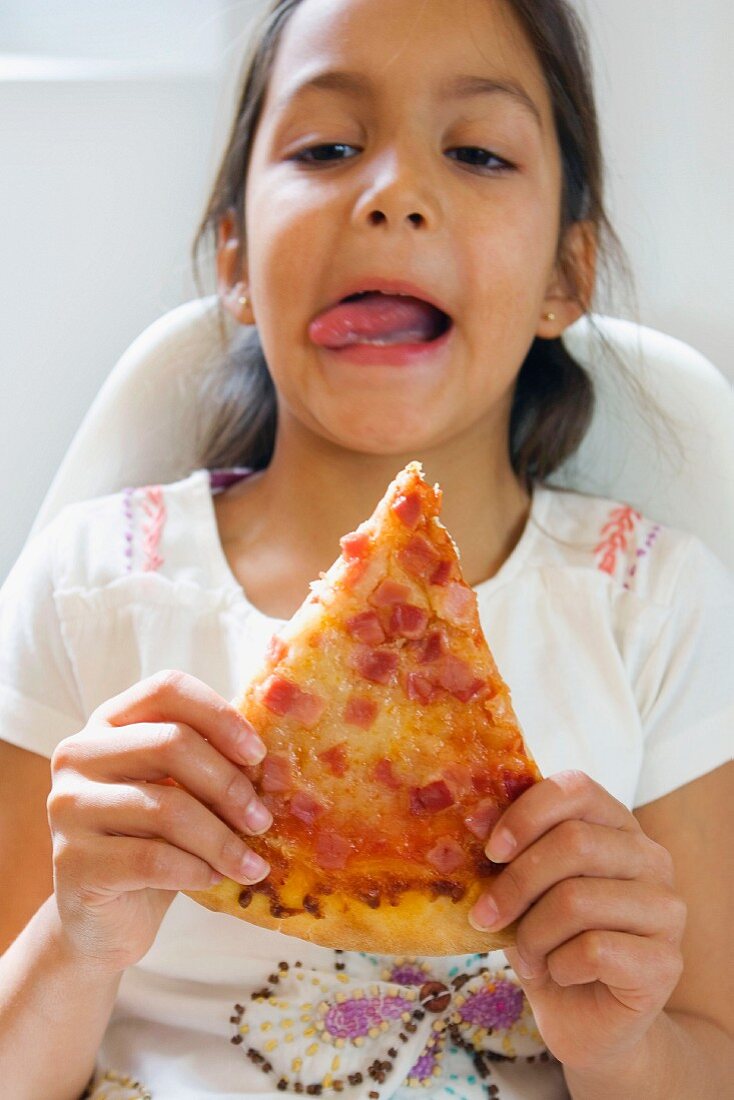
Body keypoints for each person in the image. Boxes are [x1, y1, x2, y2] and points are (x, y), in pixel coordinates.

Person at [0, 0, 731, 1097]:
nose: (390, 193)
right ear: (236, 257)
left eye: (477, 152)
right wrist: (76, 937)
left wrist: (621, 1039)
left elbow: (710, 1051)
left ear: (563, 277)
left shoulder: (651, 600)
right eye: (326, 147)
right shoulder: (93, 583)